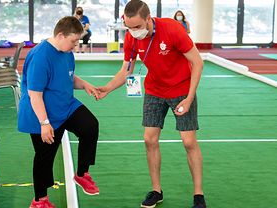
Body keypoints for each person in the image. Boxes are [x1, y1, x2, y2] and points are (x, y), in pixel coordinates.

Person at [97, 1, 206, 208]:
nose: (133, 31)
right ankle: (156, 190)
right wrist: (108, 88)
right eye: (129, 27)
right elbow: (126, 70)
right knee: (149, 139)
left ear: (148, 19)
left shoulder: (172, 29)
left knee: (189, 142)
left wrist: (189, 97)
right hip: (154, 90)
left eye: (137, 27)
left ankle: (198, 195)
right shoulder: (130, 37)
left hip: (182, 89)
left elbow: (198, 62)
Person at [18, 16, 100, 208]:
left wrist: (85, 85)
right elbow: (35, 95)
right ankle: (39, 201)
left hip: (65, 105)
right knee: (45, 157)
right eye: (73, 41)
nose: (75, 45)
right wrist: (45, 124)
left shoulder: (66, 50)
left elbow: (68, 76)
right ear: (61, 35)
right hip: (42, 113)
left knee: (90, 126)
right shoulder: (40, 56)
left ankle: (82, 174)